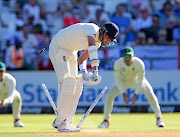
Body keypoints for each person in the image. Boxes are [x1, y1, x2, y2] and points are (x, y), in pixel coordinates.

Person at [49, 22, 119, 132]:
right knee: (69, 82)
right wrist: (95, 70)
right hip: (58, 48)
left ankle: (67, 122)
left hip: (72, 53)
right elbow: (91, 48)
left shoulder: (97, 43)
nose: (109, 41)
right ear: (103, 31)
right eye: (109, 38)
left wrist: (84, 72)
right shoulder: (92, 29)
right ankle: (60, 122)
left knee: (77, 84)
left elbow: (82, 59)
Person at [98, 47, 165, 128]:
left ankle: (159, 119)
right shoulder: (118, 64)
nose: (127, 59)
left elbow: (141, 80)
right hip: (123, 81)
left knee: (151, 94)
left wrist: (135, 94)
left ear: (133, 56)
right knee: (109, 95)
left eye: (129, 56)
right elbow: (118, 81)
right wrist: (123, 93)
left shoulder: (139, 63)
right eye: (125, 57)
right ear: (122, 56)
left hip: (137, 80)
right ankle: (106, 121)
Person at [0, 62, 24, 127]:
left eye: (1, 71)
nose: (0, 73)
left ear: (4, 70)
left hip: (5, 96)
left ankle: (17, 120)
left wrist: (3, 102)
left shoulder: (10, 80)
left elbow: (10, 97)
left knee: (17, 96)